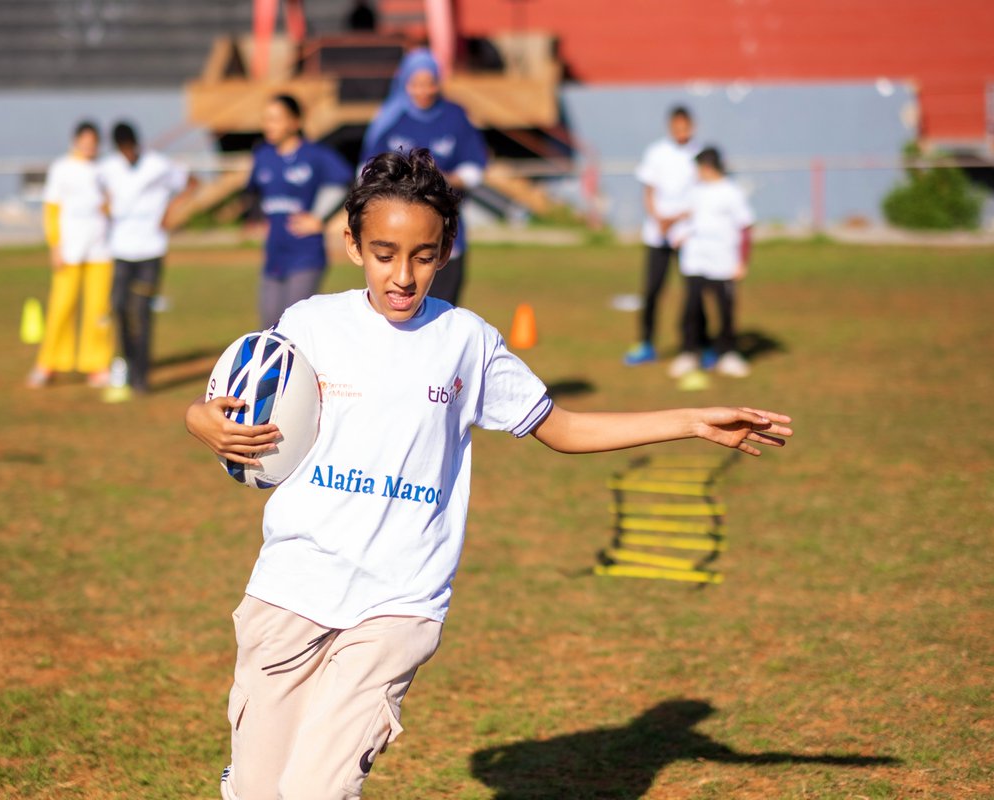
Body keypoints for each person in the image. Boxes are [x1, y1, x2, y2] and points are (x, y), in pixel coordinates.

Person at [184, 149, 793, 800]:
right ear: (351, 243)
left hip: (397, 603)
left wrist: (690, 422)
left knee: (314, 792)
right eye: (384, 252)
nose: (403, 275)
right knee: (257, 792)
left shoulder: (467, 342)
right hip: (290, 590)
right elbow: (235, 399)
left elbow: (560, 428)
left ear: (446, 252)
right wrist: (200, 420)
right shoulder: (310, 324)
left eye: (423, 255)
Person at [359, 48, 487, 306]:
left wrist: (442, 182)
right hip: (396, 226)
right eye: (416, 84)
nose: (423, 90)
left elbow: (475, 167)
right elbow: (366, 170)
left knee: (441, 308)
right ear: (404, 82)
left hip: (442, 223)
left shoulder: (455, 116)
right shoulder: (390, 118)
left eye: (430, 83)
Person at [98, 121, 194, 397]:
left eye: (130, 148)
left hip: (150, 252)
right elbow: (97, 195)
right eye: (122, 149)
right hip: (120, 251)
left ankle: (142, 375)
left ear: (137, 144)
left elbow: (192, 182)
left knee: (140, 310)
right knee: (118, 308)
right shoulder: (108, 169)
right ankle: (126, 365)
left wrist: (171, 212)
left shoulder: (159, 165)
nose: (127, 153)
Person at [248, 95, 354, 328]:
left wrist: (320, 219)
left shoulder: (315, 154)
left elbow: (345, 181)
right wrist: (257, 218)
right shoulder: (263, 155)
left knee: (293, 325)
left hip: (305, 253)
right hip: (274, 254)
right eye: (266, 119)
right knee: (268, 327)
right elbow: (254, 192)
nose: (269, 125)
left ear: (295, 122)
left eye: (276, 119)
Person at [28, 121, 113, 389]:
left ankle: (97, 364)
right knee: (61, 307)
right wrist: (55, 245)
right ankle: (49, 363)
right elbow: (51, 209)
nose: (89, 145)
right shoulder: (61, 168)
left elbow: (112, 205)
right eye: (85, 140)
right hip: (69, 250)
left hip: (100, 249)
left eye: (93, 140)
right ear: (76, 140)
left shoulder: (105, 170)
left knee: (99, 310)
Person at [625, 105, 701, 366]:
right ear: (670, 127)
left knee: (694, 291)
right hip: (658, 234)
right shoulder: (656, 153)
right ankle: (646, 343)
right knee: (652, 290)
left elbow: (704, 196)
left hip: (688, 234)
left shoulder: (700, 154)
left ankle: (696, 344)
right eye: (677, 127)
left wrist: (678, 219)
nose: (681, 132)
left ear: (692, 126)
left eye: (685, 127)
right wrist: (660, 219)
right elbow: (648, 191)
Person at [670, 146, 755, 378]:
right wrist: (680, 235)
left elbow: (745, 227)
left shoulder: (731, 192)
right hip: (695, 260)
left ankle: (728, 354)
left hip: (723, 261)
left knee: (725, 309)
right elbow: (688, 219)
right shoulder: (695, 192)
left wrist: (742, 261)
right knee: (691, 308)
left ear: (707, 167)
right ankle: (689, 352)